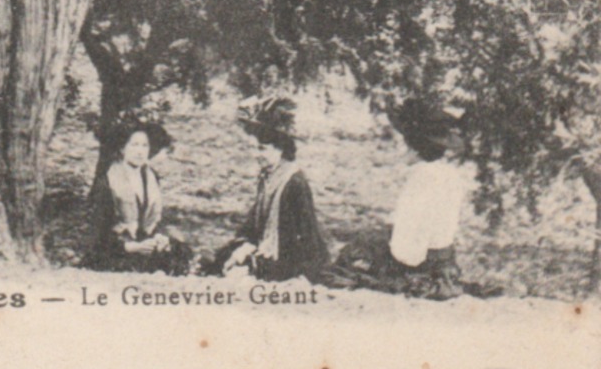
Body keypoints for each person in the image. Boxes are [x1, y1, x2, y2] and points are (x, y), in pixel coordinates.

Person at [331, 101, 480, 299]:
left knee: (349, 259)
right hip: (445, 258)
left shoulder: (421, 177)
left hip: (421, 263)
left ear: (414, 148)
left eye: (406, 145)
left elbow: (408, 251)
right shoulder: (449, 173)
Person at [213, 95, 327, 281]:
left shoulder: (294, 182)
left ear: (280, 150)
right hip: (265, 246)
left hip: (286, 253)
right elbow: (255, 224)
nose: (257, 155)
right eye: (257, 149)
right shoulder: (267, 178)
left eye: (262, 149)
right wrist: (245, 246)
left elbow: (305, 233)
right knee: (223, 259)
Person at [84, 117, 192, 274]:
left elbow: (153, 218)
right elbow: (99, 230)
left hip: (144, 243)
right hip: (118, 246)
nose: (140, 151)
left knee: (180, 250)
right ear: (122, 148)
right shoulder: (108, 180)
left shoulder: (151, 177)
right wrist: (131, 247)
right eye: (134, 145)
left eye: (144, 146)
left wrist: (159, 237)